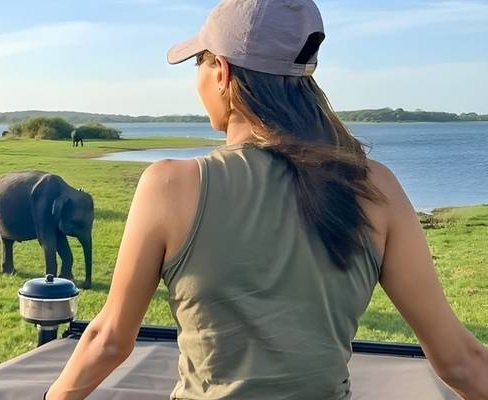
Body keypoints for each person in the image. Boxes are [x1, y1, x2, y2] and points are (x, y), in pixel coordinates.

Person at [46, 0, 488, 398]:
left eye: (198, 62)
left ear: (222, 72)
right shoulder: (377, 187)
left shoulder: (168, 185)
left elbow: (109, 341)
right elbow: (461, 363)